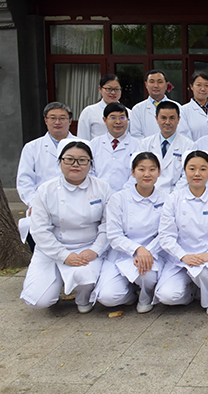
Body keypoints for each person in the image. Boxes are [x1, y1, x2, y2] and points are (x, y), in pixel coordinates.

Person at [20, 139, 112, 313]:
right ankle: (57, 281)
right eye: (69, 159)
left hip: (88, 247)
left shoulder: (102, 188)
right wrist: (64, 255)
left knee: (84, 277)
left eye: (82, 160)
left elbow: (108, 225)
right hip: (53, 248)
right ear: (60, 161)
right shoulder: (45, 190)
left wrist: (95, 250)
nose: (75, 164)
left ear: (90, 163)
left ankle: (83, 297)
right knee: (38, 300)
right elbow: (39, 230)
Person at [154, 150, 208, 316]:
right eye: (192, 168)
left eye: (203, 169)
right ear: (185, 170)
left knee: (203, 272)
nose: (197, 174)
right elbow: (166, 236)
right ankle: (191, 292)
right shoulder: (173, 199)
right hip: (179, 257)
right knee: (167, 296)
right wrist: (183, 256)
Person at [93, 152, 165, 313]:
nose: (147, 174)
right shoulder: (118, 199)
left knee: (147, 275)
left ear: (159, 172)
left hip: (152, 253)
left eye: (152, 169)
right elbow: (114, 235)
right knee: (107, 297)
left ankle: (145, 297)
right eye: (141, 169)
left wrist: (147, 252)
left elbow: (165, 233)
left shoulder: (166, 200)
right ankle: (130, 295)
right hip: (122, 253)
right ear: (132, 172)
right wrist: (137, 249)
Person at [16, 102, 76, 250]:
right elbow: (24, 180)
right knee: (42, 245)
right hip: (42, 204)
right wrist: (33, 203)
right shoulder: (32, 147)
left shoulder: (82, 145)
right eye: (53, 118)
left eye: (62, 118)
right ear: (45, 120)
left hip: (75, 203)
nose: (57, 122)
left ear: (70, 121)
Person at [136, 101, 195, 194]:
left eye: (172, 118)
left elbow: (187, 176)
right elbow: (138, 171)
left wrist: (172, 196)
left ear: (178, 119)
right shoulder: (145, 144)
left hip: (176, 195)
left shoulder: (189, 146)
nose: (167, 122)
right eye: (163, 118)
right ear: (156, 119)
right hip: (148, 194)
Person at [90, 102, 140, 193]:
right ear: (105, 120)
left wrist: (122, 194)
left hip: (127, 195)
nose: (118, 122)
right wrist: (100, 190)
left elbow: (138, 173)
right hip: (98, 193)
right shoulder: (94, 144)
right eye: (113, 118)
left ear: (128, 119)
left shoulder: (138, 145)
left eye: (122, 118)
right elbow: (89, 171)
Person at [130, 69, 181, 139]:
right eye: (152, 82)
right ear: (146, 84)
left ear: (166, 85)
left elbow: (181, 132)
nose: (156, 85)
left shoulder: (178, 107)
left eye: (160, 82)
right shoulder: (137, 109)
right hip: (146, 146)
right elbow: (136, 135)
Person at [77, 74, 124, 140]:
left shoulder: (128, 113)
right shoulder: (89, 112)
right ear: (100, 89)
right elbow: (82, 139)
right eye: (108, 89)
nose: (113, 92)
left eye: (116, 89)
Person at [180, 71, 208, 142]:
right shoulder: (183, 111)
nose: (203, 89)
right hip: (193, 148)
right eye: (198, 85)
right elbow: (184, 136)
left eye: (207, 85)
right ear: (191, 87)